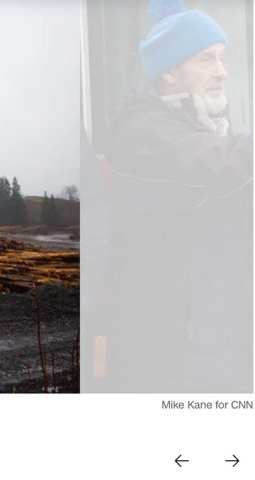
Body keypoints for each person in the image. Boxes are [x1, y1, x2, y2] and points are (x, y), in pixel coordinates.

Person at [103, 0, 252, 392]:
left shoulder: (205, 126)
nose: (222, 72)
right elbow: (223, 167)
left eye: (222, 58)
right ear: (169, 71)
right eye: (206, 60)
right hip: (169, 357)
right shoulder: (144, 135)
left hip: (213, 340)